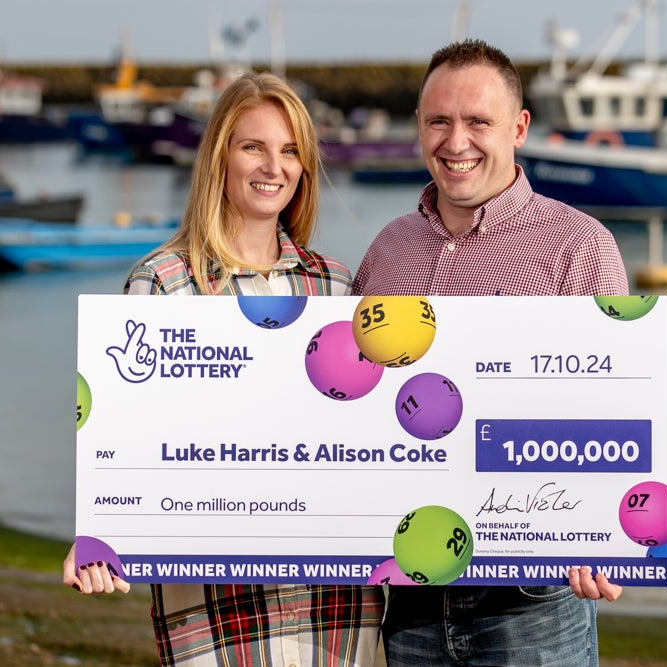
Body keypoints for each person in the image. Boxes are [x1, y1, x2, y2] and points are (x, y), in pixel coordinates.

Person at [63, 71, 384, 667]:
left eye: (290, 151)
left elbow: (366, 438)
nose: (273, 166)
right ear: (219, 156)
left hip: (332, 600)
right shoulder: (161, 281)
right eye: (253, 146)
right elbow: (128, 435)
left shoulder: (336, 286)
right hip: (212, 601)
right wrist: (97, 530)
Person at [352, 39, 627, 666]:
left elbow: (611, 408)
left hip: (532, 603)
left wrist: (601, 530)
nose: (456, 142)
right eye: (439, 121)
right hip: (409, 599)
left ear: (519, 128)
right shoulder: (388, 249)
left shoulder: (579, 247)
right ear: (418, 126)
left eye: (478, 121)